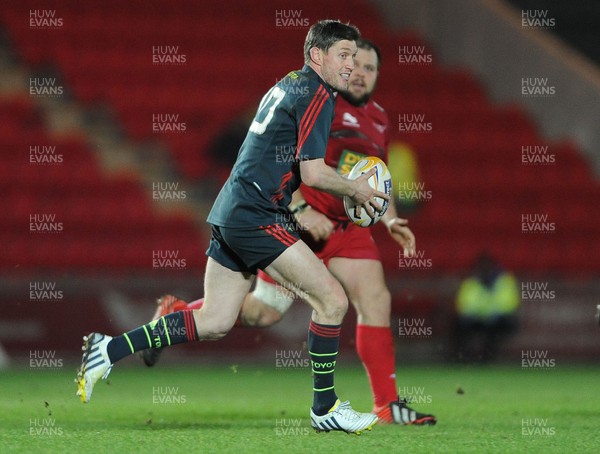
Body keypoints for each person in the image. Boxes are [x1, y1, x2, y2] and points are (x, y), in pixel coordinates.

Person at [76, 20, 386, 435]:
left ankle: (107, 349)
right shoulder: (316, 92)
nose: (350, 65)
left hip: (234, 209)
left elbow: (273, 156)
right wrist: (356, 190)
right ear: (318, 56)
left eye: (355, 57)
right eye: (343, 56)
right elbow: (312, 173)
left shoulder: (289, 84)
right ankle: (325, 409)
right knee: (332, 301)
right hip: (256, 214)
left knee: (216, 320)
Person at [142, 39, 436, 426]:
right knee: (264, 313)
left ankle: (386, 405)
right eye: (354, 63)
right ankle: (178, 315)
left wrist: (390, 218)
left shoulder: (378, 117)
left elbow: (376, 174)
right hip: (300, 221)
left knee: (375, 297)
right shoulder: (320, 102)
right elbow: (282, 158)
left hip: (345, 227)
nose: (360, 73)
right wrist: (299, 207)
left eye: (370, 68)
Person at [452, 252, 520, 363]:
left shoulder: (505, 282)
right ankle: (461, 357)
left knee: (494, 330)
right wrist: (474, 316)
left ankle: (487, 358)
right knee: (458, 325)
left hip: (499, 320)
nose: (485, 270)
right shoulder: (471, 283)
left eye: (487, 267)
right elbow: (464, 305)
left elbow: (511, 304)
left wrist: (495, 315)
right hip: (477, 319)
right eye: (482, 267)